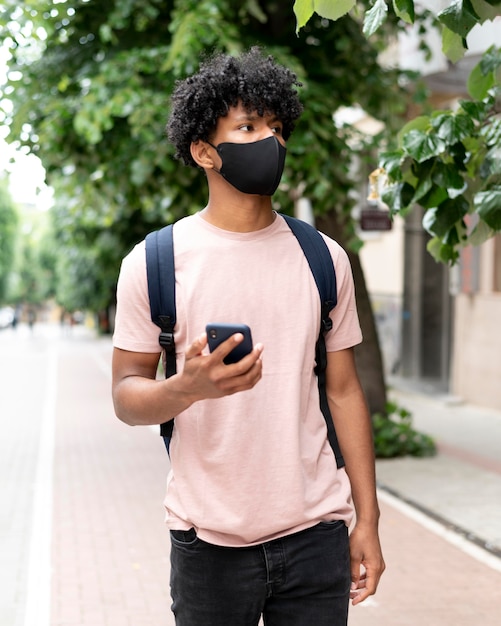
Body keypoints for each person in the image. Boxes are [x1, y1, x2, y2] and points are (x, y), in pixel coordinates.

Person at [112, 47, 385, 626]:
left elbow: (343, 392)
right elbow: (126, 397)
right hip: (207, 540)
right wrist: (187, 387)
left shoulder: (324, 258)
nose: (271, 141)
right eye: (249, 127)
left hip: (316, 533)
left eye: (277, 127)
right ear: (203, 151)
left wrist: (368, 520)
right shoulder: (155, 262)